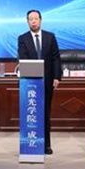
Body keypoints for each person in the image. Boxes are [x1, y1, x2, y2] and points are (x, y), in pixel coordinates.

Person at [17, 9, 61, 155]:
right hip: (30, 83)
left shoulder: (50, 36)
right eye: (31, 19)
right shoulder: (22, 38)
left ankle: (46, 144)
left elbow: (56, 58)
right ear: (27, 22)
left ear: (40, 20)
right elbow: (23, 58)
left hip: (47, 81)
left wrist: (57, 77)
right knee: (31, 113)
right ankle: (31, 142)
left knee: (45, 113)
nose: (34, 21)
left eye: (36, 18)